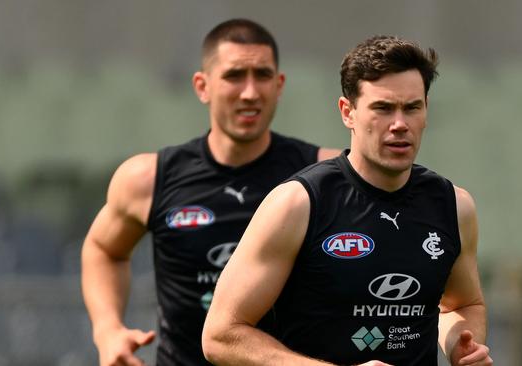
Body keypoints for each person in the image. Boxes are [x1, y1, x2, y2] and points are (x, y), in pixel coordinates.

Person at [203, 35, 493, 366]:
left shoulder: (454, 206)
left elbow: (462, 305)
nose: (399, 124)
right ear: (348, 112)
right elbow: (221, 336)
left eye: (412, 108)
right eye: (383, 108)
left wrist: (460, 344)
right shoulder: (297, 204)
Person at [81, 18, 339, 366]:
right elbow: (103, 249)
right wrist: (107, 330)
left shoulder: (327, 175)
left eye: (262, 75)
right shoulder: (147, 178)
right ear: (202, 86)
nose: (250, 92)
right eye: (234, 75)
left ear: (279, 85)